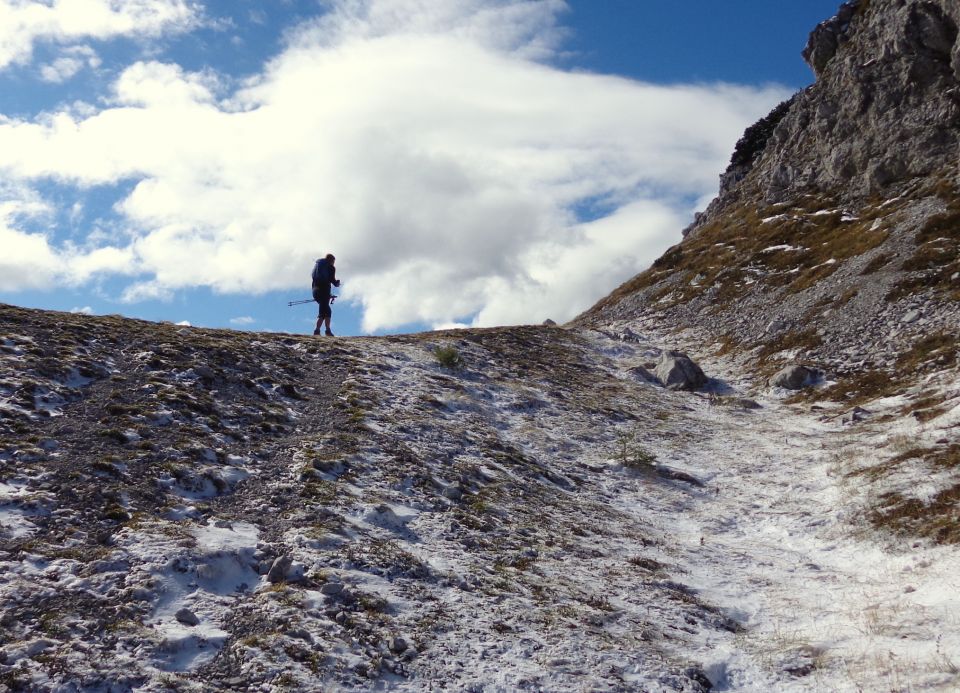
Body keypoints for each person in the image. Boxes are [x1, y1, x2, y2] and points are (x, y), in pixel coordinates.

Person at [311, 253, 341, 336]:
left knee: (325, 311)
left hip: (315, 292)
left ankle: (322, 330)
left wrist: (328, 294)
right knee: (325, 311)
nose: (334, 263)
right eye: (333, 261)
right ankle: (320, 331)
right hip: (324, 292)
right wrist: (337, 283)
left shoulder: (318, 267)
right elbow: (332, 280)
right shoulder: (330, 267)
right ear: (331, 261)